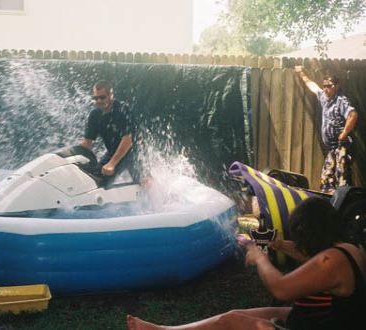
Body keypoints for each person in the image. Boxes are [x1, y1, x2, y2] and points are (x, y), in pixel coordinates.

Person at [126, 197, 366, 330]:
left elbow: (280, 287)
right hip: (315, 320)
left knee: (238, 323)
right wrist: (277, 244)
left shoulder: (330, 261)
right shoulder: (347, 249)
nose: (299, 242)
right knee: (235, 314)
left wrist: (260, 257)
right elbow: (313, 260)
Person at [294, 66, 358, 194]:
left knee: (342, 177)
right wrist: (302, 74)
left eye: (329, 86)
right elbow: (313, 87)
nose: (326, 89)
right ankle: (328, 200)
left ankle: (344, 205)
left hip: (342, 146)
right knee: (327, 177)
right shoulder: (324, 97)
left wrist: (345, 133)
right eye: (324, 86)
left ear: (336, 86)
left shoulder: (341, 101)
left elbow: (353, 115)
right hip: (332, 148)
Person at [81, 81, 140, 184]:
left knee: (145, 181)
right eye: (95, 98)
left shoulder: (122, 110)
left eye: (102, 97)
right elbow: (87, 143)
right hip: (112, 152)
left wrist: (112, 164)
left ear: (111, 95)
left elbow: (127, 140)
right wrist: (77, 159)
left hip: (133, 152)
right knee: (93, 179)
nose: (98, 101)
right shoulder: (94, 115)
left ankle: (160, 198)